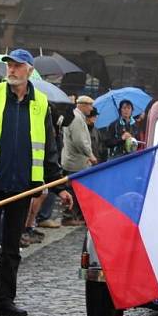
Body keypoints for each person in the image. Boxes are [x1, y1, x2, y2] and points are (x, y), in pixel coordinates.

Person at [0, 49, 73, 316]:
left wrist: (58, 186)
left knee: (12, 248)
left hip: (22, 187)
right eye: (9, 65)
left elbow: (49, 148)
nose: (11, 70)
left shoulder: (41, 104)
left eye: (17, 66)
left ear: (30, 71)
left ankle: (4, 299)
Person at [60, 95, 96, 226]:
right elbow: (80, 141)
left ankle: (74, 215)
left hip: (74, 160)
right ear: (83, 105)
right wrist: (90, 155)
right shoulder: (77, 118)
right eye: (90, 105)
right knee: (73, 191)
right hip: (75, 162)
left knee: (75, 190)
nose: (91, 109)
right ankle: (68, 216)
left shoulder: (78, 117)